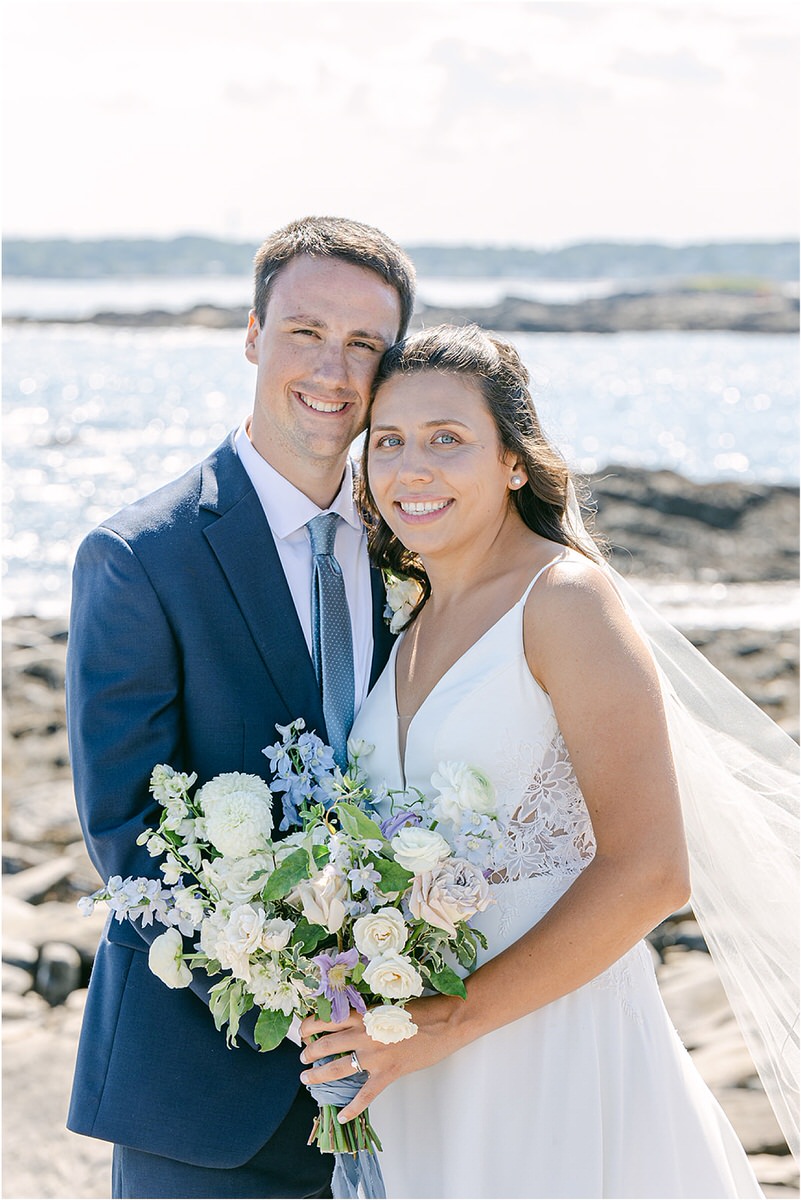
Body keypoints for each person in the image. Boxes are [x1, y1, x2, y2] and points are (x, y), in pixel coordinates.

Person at [299, 324, 799, 1198]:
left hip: (547, 1042)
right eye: (388, 442)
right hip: (417, 1056)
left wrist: (448, 1022)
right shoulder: (402, 623)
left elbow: (650, 871)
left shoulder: (563, 600)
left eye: (447, 439)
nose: (411, 467)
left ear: (514, 464)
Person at [65, 216, 416, 1199]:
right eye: (306, 332)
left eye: (365, 346)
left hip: (416, 1071)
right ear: (253, 335)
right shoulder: (140, 558)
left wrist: (403, 981)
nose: (334, 370)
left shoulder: (421, 551)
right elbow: (129, 834)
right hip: (208, 1090)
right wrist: (300, 982)